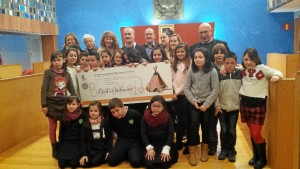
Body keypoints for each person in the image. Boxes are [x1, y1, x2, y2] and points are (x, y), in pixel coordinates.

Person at [189, 22, 230, 156]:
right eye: (201, 32)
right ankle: (207, 148)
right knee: (204, 125)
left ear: (211, 31)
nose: (203, 35)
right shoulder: (194, 47)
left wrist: (225, 65)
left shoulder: (221, 44)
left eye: (206, 32)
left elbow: (230, 59)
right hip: (197, 96)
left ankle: (216, 148)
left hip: (217, 92)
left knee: (214, 125)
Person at [239, 48, 282, 169]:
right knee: (251, 133)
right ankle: (255, 156)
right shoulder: (242, 69)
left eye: (251, 59)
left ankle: (263, 158)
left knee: (256, 133)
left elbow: (278, 72)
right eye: (246, 59)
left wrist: (276, 77)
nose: (248, 62)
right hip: (245, 104)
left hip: (258, 105)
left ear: (256, 59)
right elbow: (230, 67)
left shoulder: (263, 68)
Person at [184, 47, 219, 166]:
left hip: (207, 104)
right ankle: (192, 152)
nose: (197, 60)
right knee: (193, 127)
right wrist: (193, 101)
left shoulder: (212, 71)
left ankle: (204, 150)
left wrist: (206, 104)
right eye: (195, 57)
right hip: (193, 103)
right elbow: (186, 88)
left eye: (200, 57)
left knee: (206, 127)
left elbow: (215, 90)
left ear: (206, 58)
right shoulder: (191, 70)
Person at [41, 51, 76, 159]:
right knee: (52, 127)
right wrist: (44, 105)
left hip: (63, 103)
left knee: (64, 126)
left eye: (59, 60)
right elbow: (43, 89)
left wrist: (76, 101)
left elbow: (72, 90)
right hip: (51, 103)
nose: (57, 62)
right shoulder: (48, 72)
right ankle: (54, 148)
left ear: (63, 60)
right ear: (52, 61)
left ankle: (62, 145)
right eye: (54, 60)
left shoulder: (67, 74)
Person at [214, 51, 242, 162]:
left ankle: (231, 150)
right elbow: (216, 92)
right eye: (227, 63)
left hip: (234, 108)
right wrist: (217, 105)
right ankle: (223, 149)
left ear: (236, 63)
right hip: (222, 108)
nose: (229, 65)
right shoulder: (219, 74)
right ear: (224, 64)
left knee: (232, 130)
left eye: (232, 63)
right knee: (224, 129)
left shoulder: (240, 73)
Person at [141, 95, 178, 169]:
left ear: (163, 107)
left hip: (164, 144)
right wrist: (149, 148)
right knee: (149, 164)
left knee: (165, 164)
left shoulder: (168, 116)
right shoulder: (145, 117)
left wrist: (167, 148)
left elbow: (171, 133)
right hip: (151, 145)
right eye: (154, 106)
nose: (156, 108)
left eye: (159, 106)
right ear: (150, 106)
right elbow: (143, 133)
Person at [106, 98, 144, 168]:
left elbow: (143, 130)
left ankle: (131, 153)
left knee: (136, 163)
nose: (115, 114)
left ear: (123, 107)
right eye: (113, 112)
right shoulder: (112, 118)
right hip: (122, 140)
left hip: (135, 140)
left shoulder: (134, 114)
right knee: (111, 161)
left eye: (117, 110)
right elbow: (113, 132)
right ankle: (127, 153)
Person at [171, 42, 191, 154]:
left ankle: (189, 144)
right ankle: (178, 142)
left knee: (187, 121)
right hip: (177, 97)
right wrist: (175, 92)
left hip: (186, 96)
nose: (180, 53)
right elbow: (173, 79)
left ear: (186, 52)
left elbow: (187, 81)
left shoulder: (190, 63)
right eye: (178, 52)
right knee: (179, 121)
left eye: (182, 51)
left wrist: (177, 92)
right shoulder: (174, 64)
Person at [80, 101, 113, 167]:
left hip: (102, 148)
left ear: (100, 111)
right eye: (91, 111)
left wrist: (108, 151)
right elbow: (83, 140)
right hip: (91, 148)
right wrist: (84, 154)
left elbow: (110, 137)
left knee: (94, 162)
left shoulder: (105, 122)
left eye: (95, 111)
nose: (93, 113)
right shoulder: (86, 124)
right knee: (84, 163)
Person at [57, 96, 83, 169]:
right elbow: (61, 133)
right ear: (66, 105)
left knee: (73, 164)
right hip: (66, 142)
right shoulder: (63, 116)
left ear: (78, 105)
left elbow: (83, 134)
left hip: (77, 142)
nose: (71, 106)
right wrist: (60, 147)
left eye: (73, 104)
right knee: (61, 165)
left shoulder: (82, 115)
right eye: (69, 104)